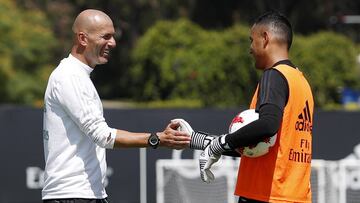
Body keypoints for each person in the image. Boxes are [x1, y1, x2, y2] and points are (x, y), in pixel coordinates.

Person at [42, 9, 191, 203]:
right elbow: (102, 135)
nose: (113, 43)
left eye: (113, 36)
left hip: (85, 195)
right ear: (82, 38)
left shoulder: (77, 76)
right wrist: (157, 139)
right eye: (106, 36)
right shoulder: (70, 76)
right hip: (73, 196)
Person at [177, 11, 314, 203]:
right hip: (294, 197)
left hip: (266, 195)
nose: (250, 48)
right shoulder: (301, 81)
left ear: (265, 38)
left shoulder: (274, 75)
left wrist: (219, 145)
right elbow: (261, 146)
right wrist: (200, 141)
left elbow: (267, 125)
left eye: (252, 40)